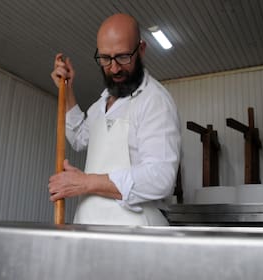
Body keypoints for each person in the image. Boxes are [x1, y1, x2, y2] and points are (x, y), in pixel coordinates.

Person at [49, 13, 181, 226]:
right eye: (105, 58)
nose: (114, 68)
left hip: (135, 234)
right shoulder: (101, 105)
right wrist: (67, 89)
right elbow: (79, 138)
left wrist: (87, 182)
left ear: (141, 50)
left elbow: (160, 178)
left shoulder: (154, 100)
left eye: (122, 57)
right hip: (89, 227)